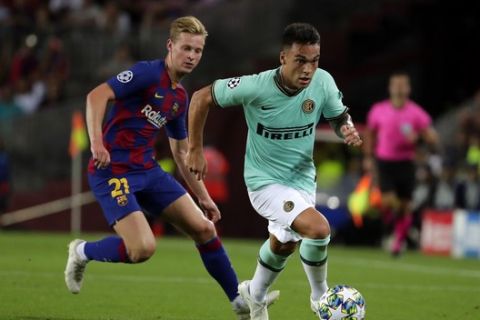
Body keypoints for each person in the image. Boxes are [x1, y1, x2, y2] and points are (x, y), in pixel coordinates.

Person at [63, 16, 277, 319]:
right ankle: (82, 251)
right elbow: (96, 96)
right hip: (112, 170)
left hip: (148, 171)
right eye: (186, 48)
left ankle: (239, 302)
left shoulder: (179, 97)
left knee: (204, 228)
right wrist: (97, 143)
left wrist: (203, 196)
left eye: (198, 50)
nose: (192, 56)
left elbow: (181, 152)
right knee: (142, 250)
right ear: (170, 46)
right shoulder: (147, 73)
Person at [186, 23, 362, 319]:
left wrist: (347, 128)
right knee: (318, 230)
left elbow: (338, 114)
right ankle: (320, 299)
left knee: (284, 244)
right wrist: (194, 148)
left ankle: (254, 295)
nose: (308, 69)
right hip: (264, 182)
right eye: (301, 60)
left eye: (315, 60)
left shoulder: (323, 82)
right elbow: (200, 98)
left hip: (303, 179)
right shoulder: (256, 86)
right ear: (283, 58)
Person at [363, 72, 438, 256]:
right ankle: (392, 230)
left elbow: (432, 138)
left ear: (408, 89)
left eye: (402, 85)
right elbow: (370, 135)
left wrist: (419, 137)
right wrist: (367, 157)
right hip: (385, 162)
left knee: (405, 207)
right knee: (388, 201)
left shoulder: (416, 113)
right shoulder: (378, 110)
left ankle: (398, 242)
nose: (398, 88)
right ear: (389, 88)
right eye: (395, 85)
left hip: (406, 164)